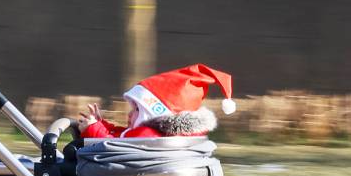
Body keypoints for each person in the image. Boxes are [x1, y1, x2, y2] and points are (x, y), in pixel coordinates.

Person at [78, 64, 235, 139]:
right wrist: (101, 124)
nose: (130, 113)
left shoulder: (147, 134)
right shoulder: (163, 134)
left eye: (137, 109)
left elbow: (114, 146)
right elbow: (123, 136)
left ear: (154, 113)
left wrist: (92, 129)